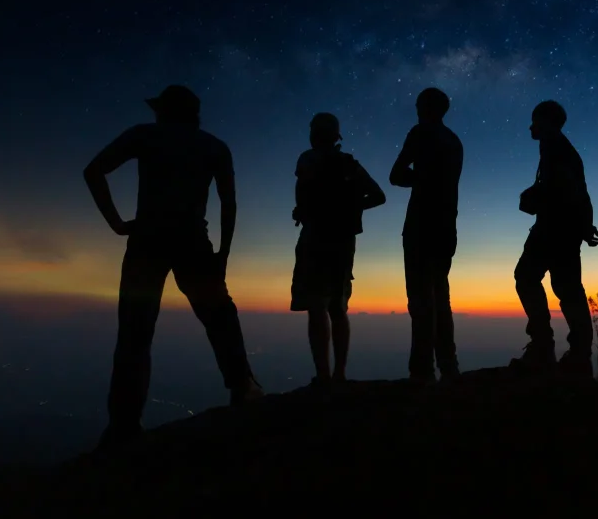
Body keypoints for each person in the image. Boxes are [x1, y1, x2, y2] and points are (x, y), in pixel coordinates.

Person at [83, 84, 263, 451]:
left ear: (162, 111)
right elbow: (228, 204)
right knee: (219, 317)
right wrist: (223, 255)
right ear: (194, 114)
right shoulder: (213, 146)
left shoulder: (144, 136)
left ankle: (124, 425)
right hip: (193, 242)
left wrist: (117, 223)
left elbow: (93, 171)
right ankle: (242, 388)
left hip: (146, 241)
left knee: (134, 333)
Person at [291, 112, 386, 387]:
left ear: (314, 134)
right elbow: (379, 196)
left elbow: (302, 193)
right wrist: (350, 208)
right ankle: (340, 374)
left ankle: (323, 375)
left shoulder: (307, 159)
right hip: (344, 241)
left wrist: (311, 211)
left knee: (316, 305)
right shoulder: (349, 164)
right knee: (337, 307)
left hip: (315, 238)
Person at [511, 100, 598, 379]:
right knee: (566, 287)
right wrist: (584, 226)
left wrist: (536, 198)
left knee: (529, 278)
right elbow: (575, 190)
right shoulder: (556, 148)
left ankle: (545, 349)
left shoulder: (556, 149)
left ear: (547, 122)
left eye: (535, 121)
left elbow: (569, 190)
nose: (530, 127)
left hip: (555, 229)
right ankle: (575, 356)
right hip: (563, 229)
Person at [389, 87, 464, 385]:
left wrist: (420, 179)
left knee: (420, 297)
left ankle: (421, 371)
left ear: (424, 107)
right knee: (440, 295)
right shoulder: (455, 141)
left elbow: (396, 175)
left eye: (418, 104)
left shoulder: (421, 133)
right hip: (447, 225)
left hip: (421, 223)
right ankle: (448, 365)